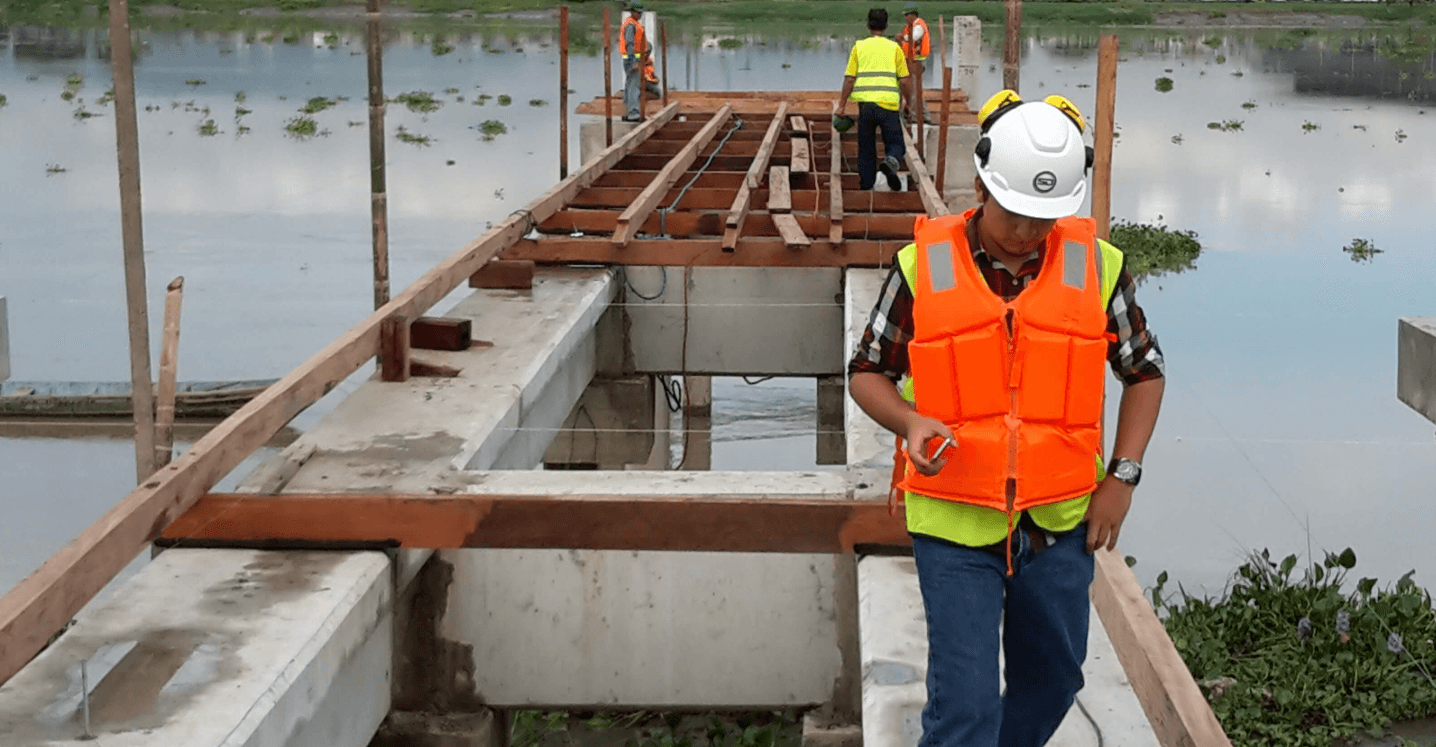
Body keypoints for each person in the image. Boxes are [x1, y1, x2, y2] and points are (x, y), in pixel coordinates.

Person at [847, 90, 1166, 747]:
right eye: (1014, 212)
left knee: (1054, 681)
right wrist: (909, 422)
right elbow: (866, 370)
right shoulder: (925, 267)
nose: (1025, 232)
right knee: (964, 707)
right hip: (958, 524)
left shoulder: (1098, 269)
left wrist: (1123, 477)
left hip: (1059, 525)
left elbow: (1145, 373)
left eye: (1042, 218)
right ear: (982, 184)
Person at [837, 8, 910, 192]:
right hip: (889, 105)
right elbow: (905, 80)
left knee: (866, 149)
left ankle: (866, 187)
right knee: (896, 144)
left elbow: (849, 79)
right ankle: (891, 162)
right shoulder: (894, 48)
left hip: (866, 107)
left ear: (868, 25)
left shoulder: (859, 47)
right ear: (886, 26)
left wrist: (842, 105)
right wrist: (908, 101)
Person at [896, 3, 930, 121]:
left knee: (915, 90)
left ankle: (920, 116)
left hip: (917, 63)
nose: (906, 18)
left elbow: (913, 38)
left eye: (907, 15)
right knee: (911, 90)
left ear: (913, 15)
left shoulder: (919, 25)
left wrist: (902, 37)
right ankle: (912, 112)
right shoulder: (909, 27)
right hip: (909, 63)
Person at [619, 1, 647, 122]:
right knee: (633, 87)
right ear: (632, 11)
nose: (640, 14)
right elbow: (630, 44)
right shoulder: (631, 25)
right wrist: (634, 61)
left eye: (641, 12)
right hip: (632, 60)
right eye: (638, 12)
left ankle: (626, 112)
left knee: (629, 85)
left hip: (631, 59)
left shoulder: (633, 24)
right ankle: (633, 113)